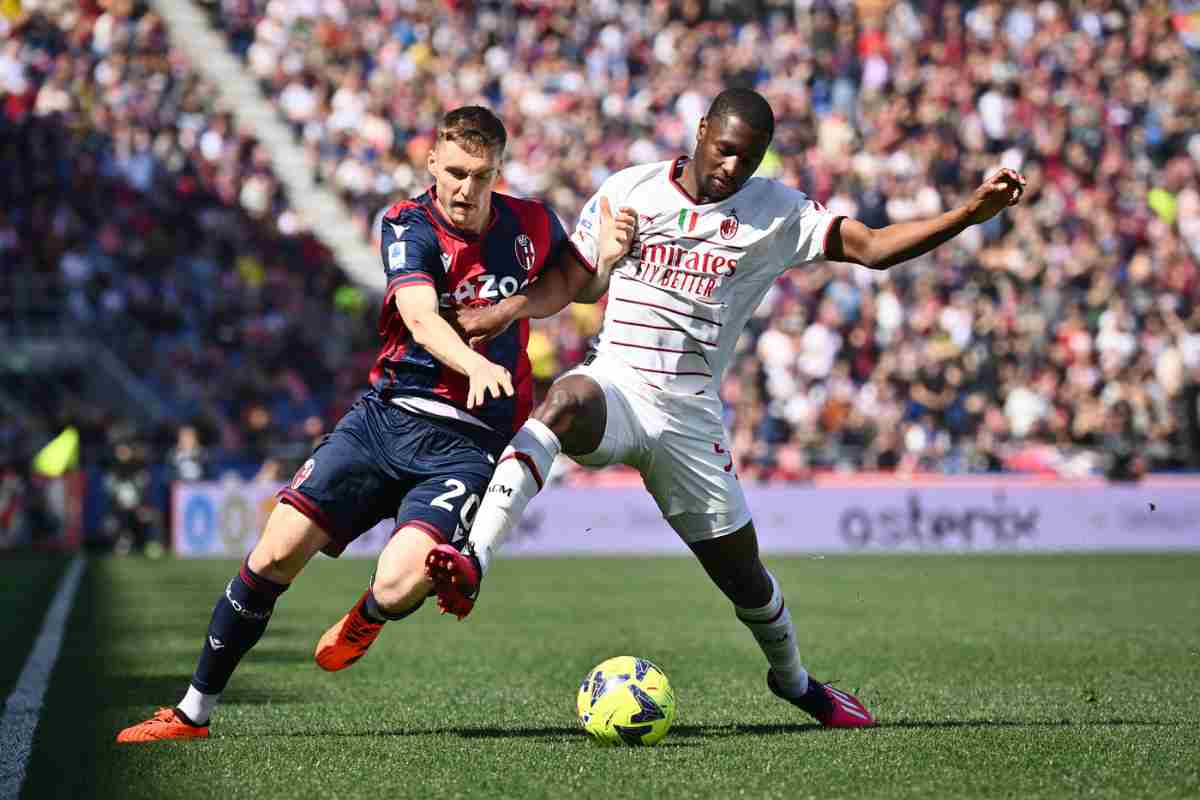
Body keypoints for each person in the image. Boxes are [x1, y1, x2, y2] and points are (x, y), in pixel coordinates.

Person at [424, 88, 1026, 728]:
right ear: (701, 129)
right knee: (565, 400)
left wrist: (968, 213)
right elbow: (573, 280)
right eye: (727, 149)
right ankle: (474, 559)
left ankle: (797, 684)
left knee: (744, 578)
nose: (735, 167)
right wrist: (507, 308)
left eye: (752, 157)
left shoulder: (777, 211)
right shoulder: (631, 188)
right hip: (620, 384)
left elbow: (873, 248)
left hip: (689, 418)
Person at [116, 105, 637, 742]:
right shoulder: (405, 223)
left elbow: (569, 285)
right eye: (455, 173)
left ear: (498, 171)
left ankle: (367, 614)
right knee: (275, 551)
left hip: (469, 444)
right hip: (384, 420)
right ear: (431, 165)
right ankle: (192, 712)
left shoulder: (529, 221)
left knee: (401, 584)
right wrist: (473, 360)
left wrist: (604, 262)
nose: (467, 190)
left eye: (482, 175)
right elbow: (419, 315)